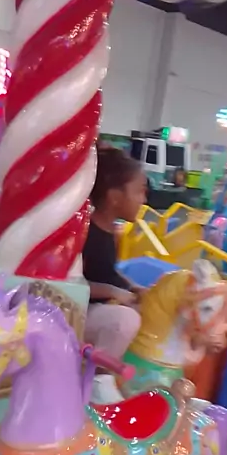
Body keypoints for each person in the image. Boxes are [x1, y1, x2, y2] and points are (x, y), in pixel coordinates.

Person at [83, 147, 146, 402]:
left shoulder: (112, 233)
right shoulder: (86, 233)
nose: (143, 199)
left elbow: (107, 271)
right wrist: (114, 292)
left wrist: (133, 287)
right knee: (124, 320)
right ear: (114, 197)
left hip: (94, 308)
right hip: (75, 312)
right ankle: (98, 379)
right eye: (139, 191)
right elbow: (72, 282)